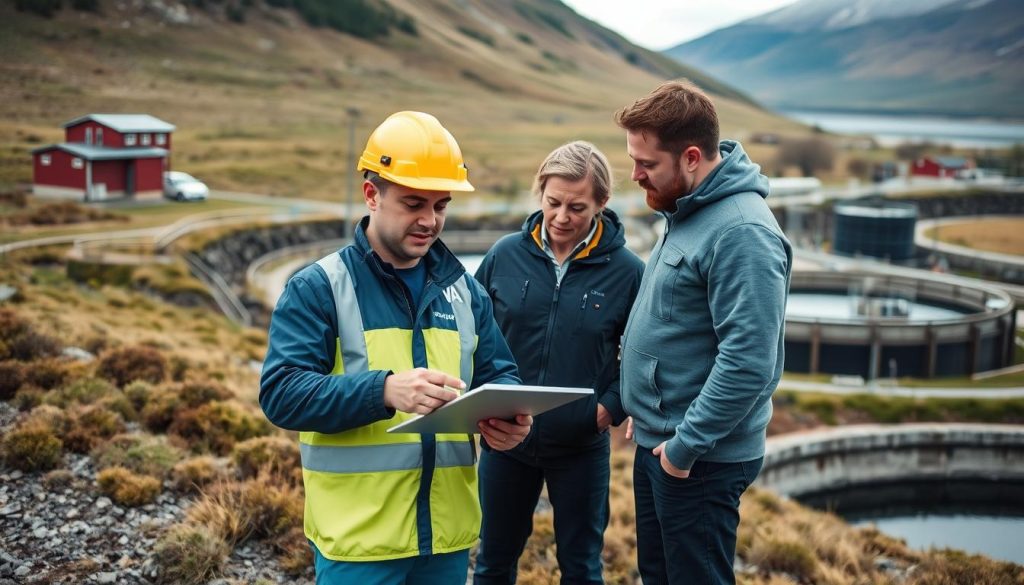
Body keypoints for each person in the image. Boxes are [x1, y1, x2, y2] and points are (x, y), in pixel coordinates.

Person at [260, 110, 533, 584]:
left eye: (441, 205)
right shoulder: (319, 287)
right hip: (359, 544)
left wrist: (507, 421)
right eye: (413, 203)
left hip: (447, 540)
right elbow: (281, 394)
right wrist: (384, 392)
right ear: (372, 194)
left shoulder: (466, 292)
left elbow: (499, 376)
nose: (430, 220)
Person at [615, 81, 792, 585]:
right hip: (663, 440)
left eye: (646, 164)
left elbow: (750, 362)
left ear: (691, 157)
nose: (634, 175)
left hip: (699, 458)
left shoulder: (742, 233)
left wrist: (682, 447)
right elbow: (679, 325)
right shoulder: (687, 207)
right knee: (660, 576)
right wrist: (646, 404)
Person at [473, 141, 644, 585]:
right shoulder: (504, 256)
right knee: (493, 560)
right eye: (553, 203)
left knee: (582, 567)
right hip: (505, 442)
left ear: (602, 204)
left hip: (581, 448)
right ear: (540, 194)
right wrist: (477, 400)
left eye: (577, 207)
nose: (562, 217)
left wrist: (609, 407)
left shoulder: (627, 272)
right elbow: (469, 334)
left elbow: (646, 354)